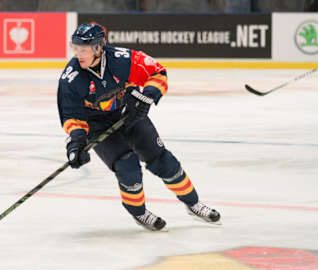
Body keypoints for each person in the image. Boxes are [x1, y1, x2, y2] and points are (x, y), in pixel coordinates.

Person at [57, 23, 221, 231]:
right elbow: (71, 115)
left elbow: (158, 72)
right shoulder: (71, 78)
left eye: (84, 49)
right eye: (76, 48)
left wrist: (145, 98)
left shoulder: (122, 59)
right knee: (127, 167)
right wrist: (76, 141)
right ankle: (139, 213)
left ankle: (193, 203)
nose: (78, 54)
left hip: (129, 113)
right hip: (98, 125)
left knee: (164, 161)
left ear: (99, 48)